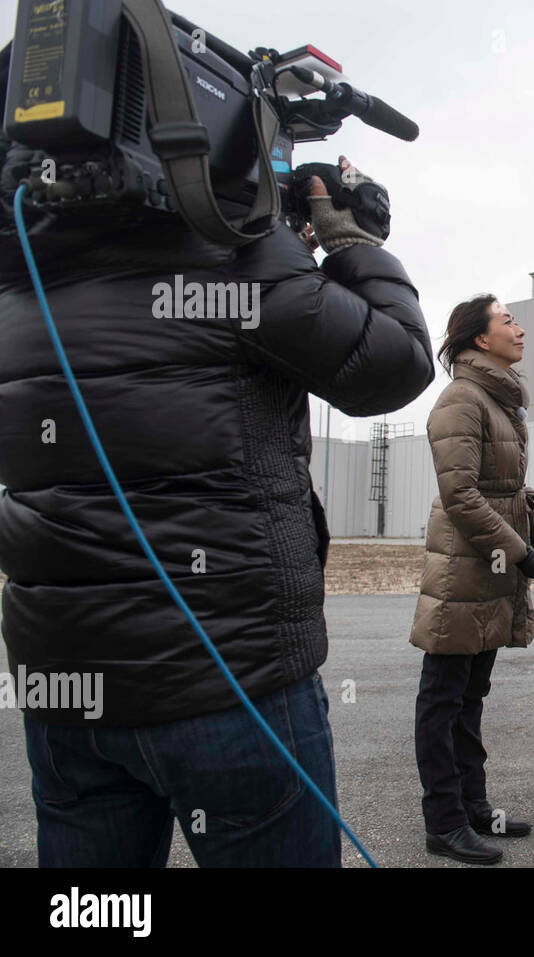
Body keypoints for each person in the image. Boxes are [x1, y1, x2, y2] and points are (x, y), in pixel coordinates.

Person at [0, 147, 435, 867]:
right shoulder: (230, 246)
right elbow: (393, 362)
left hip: (64, 688)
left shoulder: (21, 268)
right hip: (231, 680)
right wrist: (348, 241)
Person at [410, 294, 534, 865]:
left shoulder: (498, 400)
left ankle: (474, 806)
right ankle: (444, 822)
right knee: (443, 696)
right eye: (509, 321)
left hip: (493, 563)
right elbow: (460, 494)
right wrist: (521, 552)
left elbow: (513, 488)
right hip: (463, 568)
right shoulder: (461, 400)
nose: (520, 329)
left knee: (471, 695)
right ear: (481, 339)